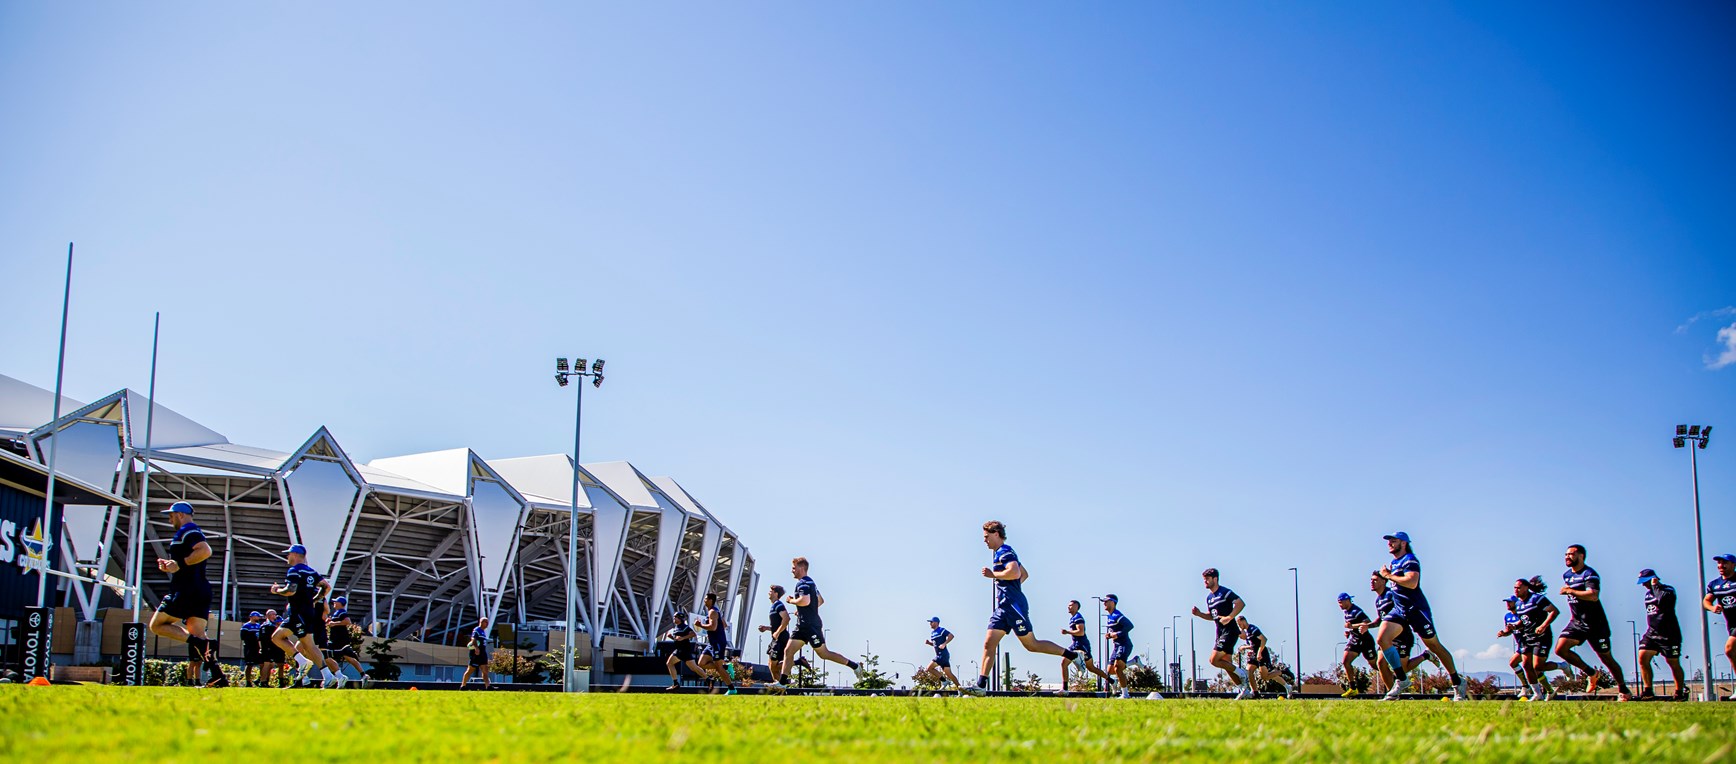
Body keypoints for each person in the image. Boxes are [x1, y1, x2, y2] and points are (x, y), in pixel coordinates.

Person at [963, 521, 1087, 696]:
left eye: (986, 537)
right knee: (989, 644)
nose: (984, 541)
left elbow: (1015, 573)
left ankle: (1073, 655)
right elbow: (1024, 574)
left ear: (996, 534)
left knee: (1032, 645)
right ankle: (981, 686)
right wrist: (1011, 586)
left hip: (1014, 606)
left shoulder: (1005, 552)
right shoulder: (1001, 552)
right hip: (1003, 607)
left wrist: (994, 576)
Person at [1374, 531, 1467, 701]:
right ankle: (1402, 680)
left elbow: (1412, 582)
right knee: (1382, 639)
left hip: (1416, 610)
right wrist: (1390, 573)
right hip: (1400, 610)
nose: (1389, 543)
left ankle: (1457, 681)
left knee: (1435, 646)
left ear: (1403, 543)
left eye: (1393, 541)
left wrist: (1387, 576)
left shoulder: (1410, 560)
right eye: (1389, 541)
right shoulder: (1395, 562)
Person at [147, 502, 228, 687]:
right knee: (199, 635)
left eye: (171, 515)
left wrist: (179, 564)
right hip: (199, 589)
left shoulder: (189, 530)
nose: (169, 518)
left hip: (185, 590)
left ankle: (199, 645)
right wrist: (171, 565)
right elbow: (188, 559)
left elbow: (205, 551)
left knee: (157, 625)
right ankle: (218, 677)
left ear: (181, 515)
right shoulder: (189, 532)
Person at [1554, 544, 1631, 700]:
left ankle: (1623, 690)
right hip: (1577, 623)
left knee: (1606, 658)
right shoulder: (1567, 575)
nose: (1567, 557)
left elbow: (1593, 595)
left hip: (1596, 624)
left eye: (1571, 554)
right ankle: (1591, 673)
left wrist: (1570, 591)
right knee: (1561, 649)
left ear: (1581, 556)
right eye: (1566, 554)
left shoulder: (1590, 574)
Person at [778, 557, 867, 687]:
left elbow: (805, 601)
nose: (792, 571)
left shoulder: (803, 583)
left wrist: (791, 601)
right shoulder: (811, 583)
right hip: (802, 624)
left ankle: (855, 666)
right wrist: (804, 611)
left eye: (793, 568)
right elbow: (819, 600)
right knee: (788, 651)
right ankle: (782, 683)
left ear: (801, 568)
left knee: (824, 654)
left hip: (810, 626)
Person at [267, 544, 339, 688]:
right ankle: (327, 675)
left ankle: (305, 663)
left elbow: (290, 591)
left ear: (295, 554)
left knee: (283, 639)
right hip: (305, 612)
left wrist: (276, 590)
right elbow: (326, 587)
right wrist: (314, 600)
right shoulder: (312, 572)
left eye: (289, 554)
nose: (287, 556)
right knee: (305, 644)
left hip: (298, 612)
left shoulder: (294, 571)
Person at [1191, 568, 1251, 699]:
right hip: (1219, 633)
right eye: (1204, 579)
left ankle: (1242, 673)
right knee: (1227, 664)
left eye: (1207, 579)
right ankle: (1244, 689)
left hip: (1230, 631)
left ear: (1215, 579)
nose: (1205, 581)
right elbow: (1213, 616)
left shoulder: (1224, 592)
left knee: (1213, 660)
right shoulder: (1209, 598)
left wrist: (1229, 617)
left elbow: (1240, 604)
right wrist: (1200, 614)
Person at [1513, 575, 1570, 701]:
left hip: (1542, 637)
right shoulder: (1518, 604)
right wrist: (1513, 627)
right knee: (1527, 665)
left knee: (1538, 666)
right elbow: (1524, 621)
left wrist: (1544, 625)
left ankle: (1562, 666)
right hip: (1528, 638)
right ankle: (1537, 693)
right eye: (1514, 588)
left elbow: (1554, 611)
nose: (1516, 590)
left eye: (1519, 587)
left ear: (1526, 588)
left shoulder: (1537, 599)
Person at [1636, 568, 1686, 701]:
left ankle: (1679, 692)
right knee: (1642, 656)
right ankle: (1648, 691)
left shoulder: (1668, 590)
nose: (1643, 585)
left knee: (1673, 662)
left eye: (1645, 582)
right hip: (1652, 633)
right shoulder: (1647, 594)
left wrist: (1655, 585)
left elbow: (1663, 601)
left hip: (1669, 634)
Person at [1060, 600, 1114, 694]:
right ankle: (1112, 681)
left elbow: (1081, 632)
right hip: (1076, 644)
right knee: (1091, 668)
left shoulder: (1078, 617)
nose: (1068, 607)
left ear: (1076, 607)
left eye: (1071, 605)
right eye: (1068, 605)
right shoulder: (1073, 618)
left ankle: (1065, 688)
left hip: (1081, 645)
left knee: (1064, 663)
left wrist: (1067, 632)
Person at [1704, 553, 1736, 697]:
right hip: (1732, 625)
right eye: (1719, 563)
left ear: (1733, 565)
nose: (1721, 566)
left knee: (1729, 649)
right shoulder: (1715, 584)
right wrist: (1712, 608)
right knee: (1731, 651)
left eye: (1725, 563)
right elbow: (1706, 601)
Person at [1337, 592, 1377, 697]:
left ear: (1347, 601)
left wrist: (1352, 626)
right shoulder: (1346, 612)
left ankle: (1394, 679)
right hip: (1355, 640)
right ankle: (1353, 688)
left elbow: (1367, 623)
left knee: (1375, 665)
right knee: (1346, 662)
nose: (1340, 605)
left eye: (1341, 602)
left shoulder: (1356, 611)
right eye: (1338, 603)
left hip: (1365, 641)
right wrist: (1349, 632)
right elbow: (1352, 627)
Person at [1237, 616, 1289, 697]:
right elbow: (1253, 645)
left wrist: (1259, 653)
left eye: (1239, 624)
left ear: (1243, 621)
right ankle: (1255, 692)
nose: (1239, 626)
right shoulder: (1247, 632)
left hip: (1262, 654)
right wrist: (1244, 647)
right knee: (1249, 671)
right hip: (1255, 655)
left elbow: (1264, 639)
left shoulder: (1253, 629)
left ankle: (1284, 672)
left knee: (1265, 677)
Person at [696, 592, 737, 693]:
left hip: (717, 643)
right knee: (701, 663)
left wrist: (700, 625)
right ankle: (726, 666)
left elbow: (713, 627)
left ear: (710, 600)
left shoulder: (712, 612)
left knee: (718, 668)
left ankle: (732, 689)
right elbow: (724, 625)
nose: (704, 600)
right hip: (712, 643)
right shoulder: (715, 612)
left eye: (706, 599)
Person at [1104, 595, 1140, 699]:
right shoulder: (1110, 616)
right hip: (1116, 646)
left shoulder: (1117, 615)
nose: (1104, 604)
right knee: (1110, 670)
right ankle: (1133, 662)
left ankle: (1125, 694)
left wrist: (1118, 634)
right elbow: (1113, 630)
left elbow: (1129, 625)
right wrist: (1109, 635)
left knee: (1118, 668)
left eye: (1106, 601)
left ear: (1113, 602)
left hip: (1124, 644)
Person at [759, 585, 793, 686]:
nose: (769, 592)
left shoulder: (778, 605)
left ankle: (797, 662)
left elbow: (786, 618)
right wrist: (767, 628)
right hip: (775, 638)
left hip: (780, 638)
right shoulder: (773, 606)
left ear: (776, 593)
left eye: (771, 591)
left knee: (773, 665)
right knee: (772, 665)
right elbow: (777, 624)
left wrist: (777, 633)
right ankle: (780, 688)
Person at [325, 597, 363, 687]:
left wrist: (334, 623)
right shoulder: (336, 613)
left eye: (336, 602)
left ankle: (334, 677)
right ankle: (336, 676)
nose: (334, 603)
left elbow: (347, 621)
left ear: (340, 603)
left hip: (340, 640)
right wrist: (331, 621)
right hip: (336, 640)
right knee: (344, 656)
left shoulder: (342, 612)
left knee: (326, 655)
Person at [663, 612, 705, 690]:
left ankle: (676, 684)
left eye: (675, 617)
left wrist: (683, 638)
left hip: (684, 650)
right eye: (674, 617)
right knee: (693, 668)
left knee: (693, 668)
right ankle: (709, 679)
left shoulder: (684, 627)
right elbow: (677, 640)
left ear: (680, 618)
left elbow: (693, 634)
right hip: (679, 650)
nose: (674, 618)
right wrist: (672, 637)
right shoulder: (676, 627)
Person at [924, 617, 960, 691]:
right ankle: (961, 689)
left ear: (937, 623)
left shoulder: (941, 630)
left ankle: (944, 681)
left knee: (929, 668)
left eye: (932, 622)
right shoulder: (932, 633)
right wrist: (929, 643)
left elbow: (951, 636)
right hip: (942, 656)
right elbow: (936, 644)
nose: (930, 624)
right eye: (930, 622)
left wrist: (944, 643)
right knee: (949, 674)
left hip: (942, 655)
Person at [461, 616, 492, 690]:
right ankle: (463, 686)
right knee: (470, 670)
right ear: (481, 622)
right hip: (476, 654)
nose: (487, 624)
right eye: (486, 622)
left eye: (488, 622)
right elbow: (473, 639)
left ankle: (488, 686)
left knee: (485, 670)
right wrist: (476, 648)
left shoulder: (483, 632)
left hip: (482, 654)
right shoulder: (477, 630)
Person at [258, 609, 285, 688]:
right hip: (268, 647)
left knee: (271, 664)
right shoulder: (268, 625)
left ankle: (266, 681)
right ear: (267, 616)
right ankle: (263, 681)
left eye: (275, 614)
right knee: (267, 664)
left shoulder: (264, 625)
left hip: (271, 647)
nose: (274, 616)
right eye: (272, 614)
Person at [240, 611, 265, 687]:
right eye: (257, 616)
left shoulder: (259, 626)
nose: (258, 618)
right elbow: (243, 637)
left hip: (257, 647)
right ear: (252, 617)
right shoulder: (246, 626)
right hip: (249, 648)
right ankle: (248, 681)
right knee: (249, 664)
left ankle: (260, 680)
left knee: (262, 664)